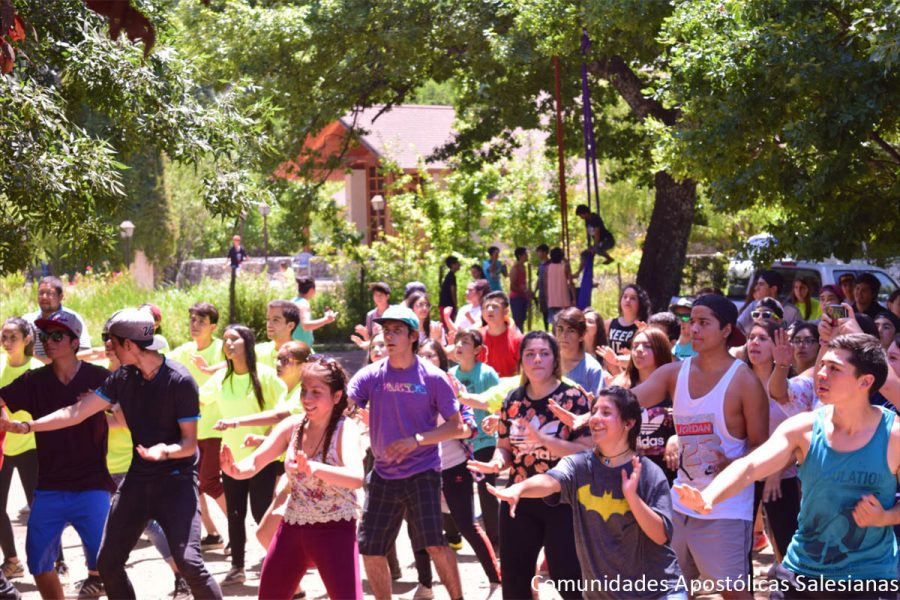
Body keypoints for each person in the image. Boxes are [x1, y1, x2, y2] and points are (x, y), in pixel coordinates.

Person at [7, 308, 224, 599]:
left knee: (189, 562)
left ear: (130, 345)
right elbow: (77, 412)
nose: (107, 348)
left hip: (177, 480)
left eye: (112, 342)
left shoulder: (180, 380)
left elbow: (188, 445)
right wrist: (27, 426)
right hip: (137, 481)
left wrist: (164, 451)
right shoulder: (122, 377)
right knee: (108, 564)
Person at [675, 334, 900, 597]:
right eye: (823, 365)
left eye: (835, 369)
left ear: (865, 381)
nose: (821, 374)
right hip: (800, 574)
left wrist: (885, 517)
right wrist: (708, 496)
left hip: (869, 581)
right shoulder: (802, 428)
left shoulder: (893, 436)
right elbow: (749, 466)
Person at [628, 294, 769, 597]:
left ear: (726, 329)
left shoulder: (745, 381)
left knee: (734, 594)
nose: (695, 329)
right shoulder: (675, 372)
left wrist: (731, 465)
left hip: (727, 508)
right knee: (672, 591)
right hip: (680, 503)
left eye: (704, 323)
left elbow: (762, 447)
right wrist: (594, 409)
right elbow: (629, 400)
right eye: (692, 322)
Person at [489, 387, 684, 600]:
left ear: (629, 423)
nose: (595, 418)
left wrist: (632, 498)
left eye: (606, 413)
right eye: (594, 411)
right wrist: (520, 489)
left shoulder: (648, 472)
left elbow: (660, 535)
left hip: (657, 593)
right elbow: (551, 481)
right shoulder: (579, 465)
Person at [220, 355, 365, 600]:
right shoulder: (292, 426)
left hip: (335, 530)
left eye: (316, 392)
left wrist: (315, 468)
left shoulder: (345, 429)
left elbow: (356, 477)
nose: (307, 399)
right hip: (292, 528)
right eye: (304, 390)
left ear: (337, 396)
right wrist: (235, 470)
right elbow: (256, 461)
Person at [346, 305, 465, 600]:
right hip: (384, 473)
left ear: (413, 336)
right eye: (386, 331)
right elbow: (347, 401)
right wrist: (344, 406)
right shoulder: (370, 375)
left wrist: (417, 440)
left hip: (423, 471)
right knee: (370, 547)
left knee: (435, 544)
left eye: (397, 330)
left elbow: (457, 427)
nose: (389, 336)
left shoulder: (434, 377)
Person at [468, 331, 591, 600]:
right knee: (515, 582)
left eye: (544, 353)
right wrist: (496, 463)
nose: (537, 359)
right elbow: (504, 446)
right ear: (521, 361)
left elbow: (586, 452)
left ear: (555, 359)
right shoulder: (513, 399)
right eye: (530, 354)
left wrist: (543, 440)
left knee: (568, 579)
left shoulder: (573, 398)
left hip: (564, 502)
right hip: (518, 500)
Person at [0, 309, 112, 599]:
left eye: (57, 335)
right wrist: (5, 420)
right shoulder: (34, 380)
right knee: (38, 563)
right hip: (50, 487)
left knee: (109, 564)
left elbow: (128, 416)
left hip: (93, 485)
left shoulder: (99, 377)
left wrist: (98, 406)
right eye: (45, 336)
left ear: (75, 343)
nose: (48, 341)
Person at [198, 324, 286, 586]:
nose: (228, 344)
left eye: (234, 339)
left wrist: (268, 443)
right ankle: (237, 567)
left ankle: (283, 562)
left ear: (247, 343)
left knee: (262, 513)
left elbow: (282, 413)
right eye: (225, 340)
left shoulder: (267, 376)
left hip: (261, 458)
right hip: (231, 459)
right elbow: (198, 399)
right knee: (235, 515)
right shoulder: (221, 377)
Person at [416, 341, 501, 597]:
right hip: (421, 470)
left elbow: (470, 425)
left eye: (432, 354)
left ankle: (496, 579)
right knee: (420, 529)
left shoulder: (452, 385)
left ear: (442, 359)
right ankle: (426, 585)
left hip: (454, 466)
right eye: (421, 355)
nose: (426, 359)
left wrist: (456, 429)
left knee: (467, 525)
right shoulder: (410, 389)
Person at [744, 320, 809, 564]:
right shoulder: (737, 381)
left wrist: (775, 470)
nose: (754, 343)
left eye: (762, 338)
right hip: (747, 475)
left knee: (787, 543)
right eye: (751, 337)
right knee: (739, 548)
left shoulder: (792, 388)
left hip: (783, 477)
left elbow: (799, 438)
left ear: (777, 347)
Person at [165, 302, 229, 552]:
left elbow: (236, 362)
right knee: (191, 483)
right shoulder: (184, 351)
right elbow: (159, 362)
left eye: (201, 321)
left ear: (213, 326)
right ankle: (212, 534)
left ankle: (238, 531)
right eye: (192, 319)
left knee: (210, 482)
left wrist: (212, 368)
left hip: (214, 428)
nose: (195, 325)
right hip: (188, 430)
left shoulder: (222, 348)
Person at [451, 330, 502, 552]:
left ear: (477, 351)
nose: (459, 345)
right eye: (457, 341)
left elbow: (499, 402)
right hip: (460, 443)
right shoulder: (450, 374)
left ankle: (498, 542)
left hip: (485, 441)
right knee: (456, 491)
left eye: (465, 342)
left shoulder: (487, 374)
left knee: (486, 491)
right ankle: (456, 537)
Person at [0, 318, 42, 582]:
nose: (6, 342)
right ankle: (12, 562)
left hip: (32, 446)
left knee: (40, 509)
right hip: (3, 447)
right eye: (3, 337)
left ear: (27, 339)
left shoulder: (37, 369)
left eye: (12, 337)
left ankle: (54, 561)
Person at [608, 327, 677, 485]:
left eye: (647, 346)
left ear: (661, 350)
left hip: (666, 474)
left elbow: (691, 422)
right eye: (635, 346)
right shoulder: (620, 386)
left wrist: (677, 437)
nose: (639, 350)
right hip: (627, 473)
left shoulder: (675, 386)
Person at [22, 276, 92, 361]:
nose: (44, 297)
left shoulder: (72, 319)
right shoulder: (28, 321)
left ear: (60, 297)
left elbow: (86, 352)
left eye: (49, 293)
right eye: (41, 293)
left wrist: (55, 362)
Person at [554, 307, 607, 398]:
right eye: (560, 329)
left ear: (582, 335)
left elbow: (599, 407)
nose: (563, 335)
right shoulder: (549, 362)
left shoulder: (592, 369)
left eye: (571, 331)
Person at [479, 291, 523, 378]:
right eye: (486, 307)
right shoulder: (476, 337)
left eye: (495, 307)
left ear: (506, 311)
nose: (490, 310)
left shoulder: (517, 339)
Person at [291, 278, 337, 353]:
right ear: (312, 290)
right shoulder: (303, 304)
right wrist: (326, 320)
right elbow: (306, 325)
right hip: (302, 350)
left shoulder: (292, 301)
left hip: (292, 347)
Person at [256, 299, 301, 368]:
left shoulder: (303, 354)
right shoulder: (257, 351)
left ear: (290, 326)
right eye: (268, 319)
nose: (269, 325)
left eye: (275, 320)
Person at [545, 247, 574, 324]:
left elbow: (545, 285)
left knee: (554, 324)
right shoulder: (565, 267)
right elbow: (571, 283)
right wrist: (574, 298)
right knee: (565, 324)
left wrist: (547, 298)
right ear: (561, 256)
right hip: (564, 301)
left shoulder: (547, 268)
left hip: (552, 301)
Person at [508, 247, 530, 331]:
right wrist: (524, 291)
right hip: (516, 298)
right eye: (525, 254)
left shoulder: (523, 267)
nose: (527, 256)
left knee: (522, 320)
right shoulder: (515, 268)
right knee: (517, 321)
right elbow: (512, 286)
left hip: (523, 297)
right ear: (520, 255)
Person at [533, 244, 551, 330]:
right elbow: (539, 279)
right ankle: (546, 330)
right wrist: (535, 290)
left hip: (550, 293)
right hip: (542, 293)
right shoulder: (541, 265)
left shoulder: (551, 264)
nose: (538, 254)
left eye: (539, 252)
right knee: (545, 312)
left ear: (545, 252)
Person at [439, 256, 461, 323]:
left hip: (444, 304)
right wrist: (455, 305)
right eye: (457, 263)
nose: (459, 265)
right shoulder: (451, 276)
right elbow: (453, 292)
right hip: (448, 305)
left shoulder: (449, 275)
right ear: (452, 265)